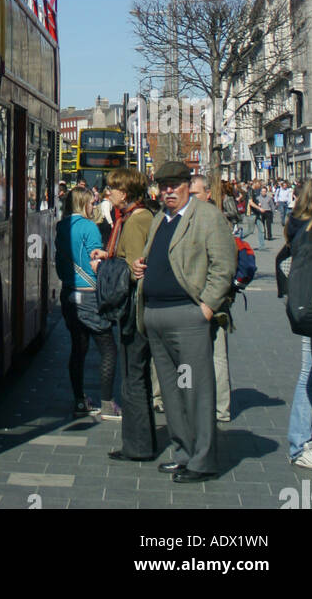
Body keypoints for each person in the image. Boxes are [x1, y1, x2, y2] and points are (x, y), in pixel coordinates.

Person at [133, 159, 237, 482]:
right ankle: (182, 452)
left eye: (174, 187)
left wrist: (205, 309)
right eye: (163, 188)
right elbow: (154, 259)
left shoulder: (206, 217)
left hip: (188, 318)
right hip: (156, 318)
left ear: (187, 186)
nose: (168, 192)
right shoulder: (159, 220)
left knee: (196, 390)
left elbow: (224, 266)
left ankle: (202, 460)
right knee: (173, 391)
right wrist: (140, 269)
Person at [101, 167, 157, 462]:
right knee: (137, 375)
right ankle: (142, 441)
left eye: (112, 188)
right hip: (136, 308)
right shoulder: (137, 216)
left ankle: (137, 445)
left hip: (134, 311)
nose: (107, 193)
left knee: (132, 377)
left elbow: (135, 269)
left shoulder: (135, 221)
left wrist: (108, 267)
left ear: (125, 192)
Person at [55, 187, 120, 419]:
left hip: (69, 293)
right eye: (91, 203)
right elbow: (94, 258)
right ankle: (108, 403)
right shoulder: (89, 227)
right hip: (90, 293)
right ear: (83, 204)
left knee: (78, 348)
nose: (94, 207)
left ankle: (80, 401)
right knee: (108, 348)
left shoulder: (60, 226)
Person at [275, 178, 312, 471]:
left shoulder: (296, 225)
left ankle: (300, 442)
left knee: (308, 373)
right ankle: (301, 442)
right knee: (309, 374)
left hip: (305, 308)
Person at [190, 173, 236, 423]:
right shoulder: (188, 219)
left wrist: (209, 303)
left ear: (207, 194)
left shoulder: (215, 220)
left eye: (195, 193)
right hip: (190, 301)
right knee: (185, 359)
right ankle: (187, 398)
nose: (191, 198)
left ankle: (220, 407)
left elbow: (224, 267)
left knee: (217, 356)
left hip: (211, 303)